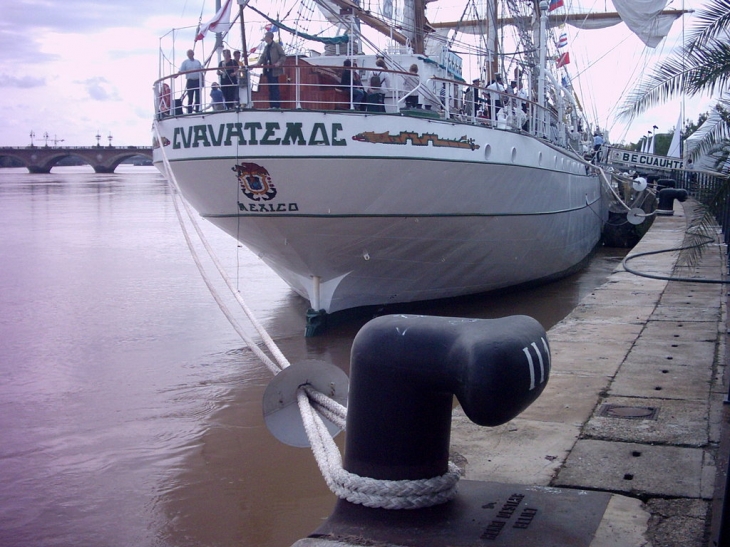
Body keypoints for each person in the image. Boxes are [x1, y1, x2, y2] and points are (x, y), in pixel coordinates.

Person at [257, 31, 286, 108]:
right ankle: (272, 105)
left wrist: (278, 63)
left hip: (275, 70)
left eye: (266, 37)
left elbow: (283, 56)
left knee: (275, 87)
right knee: (270, 88)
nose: (265, 39)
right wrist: (258, 63)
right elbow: (263, 57)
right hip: (268, 70)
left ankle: (276, 105)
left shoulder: (276, 46)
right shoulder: (266, 47)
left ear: (269, 37)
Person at [176, 49, 204, 113]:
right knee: (190, 97)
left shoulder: (197, 62)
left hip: (197, 81)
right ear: (187, 55)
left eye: (191, 53)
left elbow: (201, 71)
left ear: (193, 54)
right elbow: (181, 70)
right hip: (190, 81)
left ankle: (197, 110)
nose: (190, 55)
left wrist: (202, 82)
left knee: (197, 97)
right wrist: (177, 75)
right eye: (189, 54)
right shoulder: (185, 62)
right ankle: (189, 111)